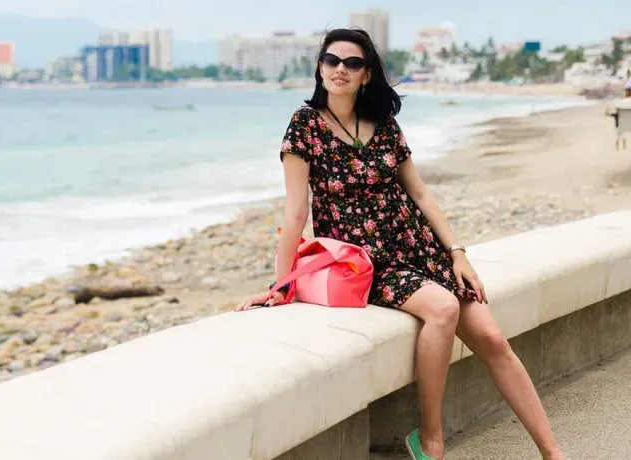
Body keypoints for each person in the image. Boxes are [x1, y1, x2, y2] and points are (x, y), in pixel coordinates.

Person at [236, 28, 567, 460]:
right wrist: (283, 285)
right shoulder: (304, 127)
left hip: (420, 246)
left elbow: (421, 194)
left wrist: (458, 253)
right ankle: (430, 437)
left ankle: (552, 452)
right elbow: (296, 213)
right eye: (332, 61)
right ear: (319, 68)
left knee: (492, 337)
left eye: (352, 63)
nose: (341, 69)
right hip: (366, 263)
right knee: (443, 309)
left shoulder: (385, 125)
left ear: (366, 75)